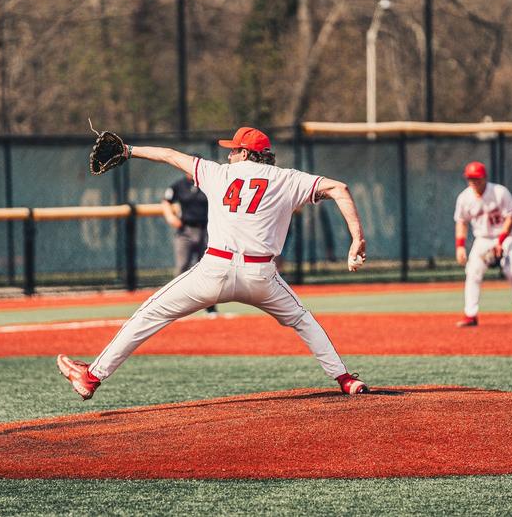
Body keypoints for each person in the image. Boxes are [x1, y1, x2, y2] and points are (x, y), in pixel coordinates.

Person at [57, 126, 369, 399]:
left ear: (245, 153)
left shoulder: (217, 172)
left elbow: (170, 155)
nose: (230, 155)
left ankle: (92, 376)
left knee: (149, 313)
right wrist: (356, 238)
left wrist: (129, 150)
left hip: (214, 270)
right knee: (303, 320)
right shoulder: (287, 179)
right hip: (261, 276)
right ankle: (345, 379)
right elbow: (338, 188)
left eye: (233, 150)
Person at [453, 161, 512, 327]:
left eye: (476, 178)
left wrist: (501, 241)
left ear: (484, 178)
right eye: (470, 179)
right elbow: (461, 222)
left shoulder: (499, 192)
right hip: (483, 239)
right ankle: (470, 314)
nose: (473, 182)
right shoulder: (464, 198)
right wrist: (460, 246)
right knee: (473, 272)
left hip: (507, 236)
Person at [162, 170, 218, 317]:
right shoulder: (180, 185)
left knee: (207, 269)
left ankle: (210, 307)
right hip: (185, 230)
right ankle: (173, 306)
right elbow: (166, 200)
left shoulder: (207, 184)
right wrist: (170, 217)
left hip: (205, 230)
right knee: (182, 267)